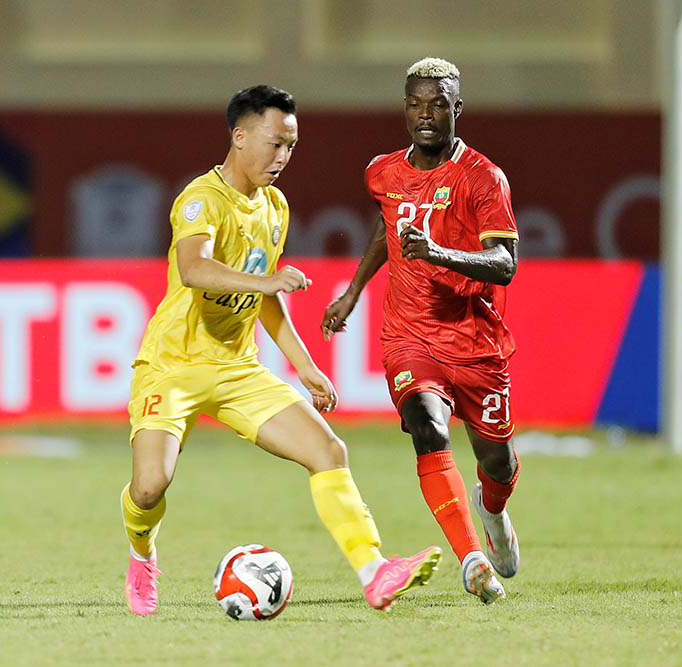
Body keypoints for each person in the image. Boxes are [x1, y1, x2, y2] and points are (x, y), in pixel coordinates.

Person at [120, 84, 441, 616]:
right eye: (275, 143)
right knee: (150, 487)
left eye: (291, 145)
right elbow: (194, 269)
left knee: (328, 451)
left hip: (236, 369)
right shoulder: (201, 199)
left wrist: (306, 366)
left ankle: (374, 572)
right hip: (171, 368)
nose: (283, 156)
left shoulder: (274, 206)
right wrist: (267, 281)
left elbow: (264, 298)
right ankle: (142, 553)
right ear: (240, 137)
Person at [321, 58, 520, 605]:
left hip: (474, 340)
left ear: (458, 109)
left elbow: (504, 264)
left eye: (438, 104)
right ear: (404, 108)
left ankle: (493, 512)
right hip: (409, 335)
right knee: (427, 426)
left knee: (497, 462)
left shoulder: (483, 178)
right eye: (415, 104)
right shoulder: (382, 172)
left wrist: (438, 253)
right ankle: (472, 559)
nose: (425, 114)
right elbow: (387, 226)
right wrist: (353, 291)